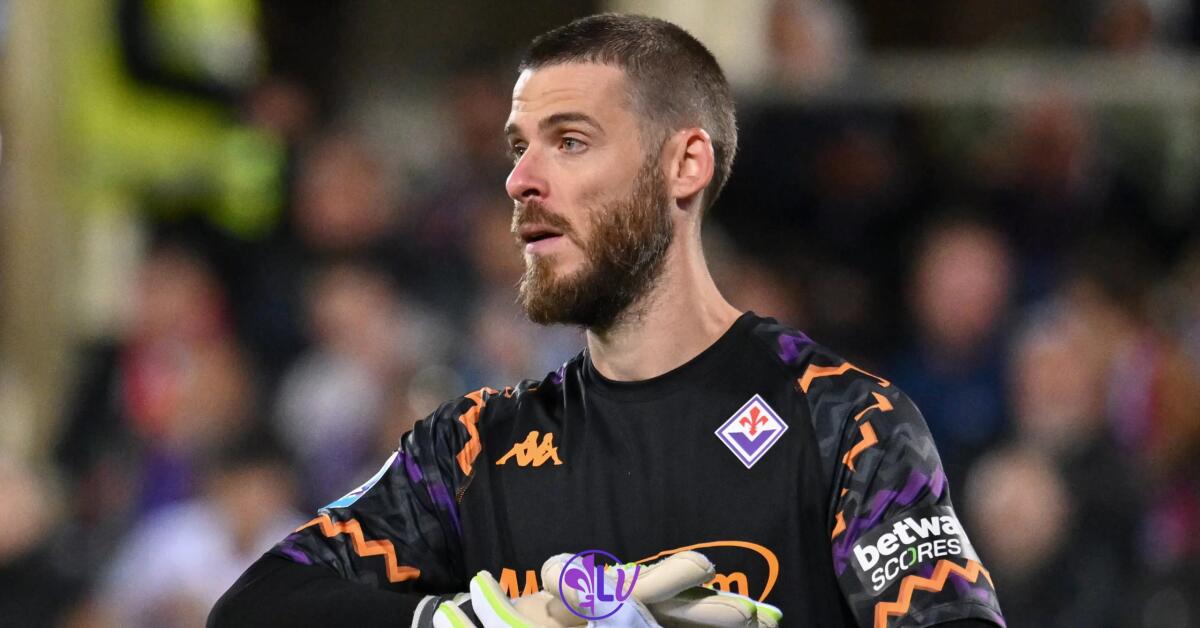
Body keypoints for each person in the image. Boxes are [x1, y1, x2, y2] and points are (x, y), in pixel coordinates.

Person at [210, 13, 1004, 627]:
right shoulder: (470, 452)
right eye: (519, 147)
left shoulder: (844, 424)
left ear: (684, 165)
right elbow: (254, 608)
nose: (521, 178)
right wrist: (476, 620)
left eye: (570, 141)